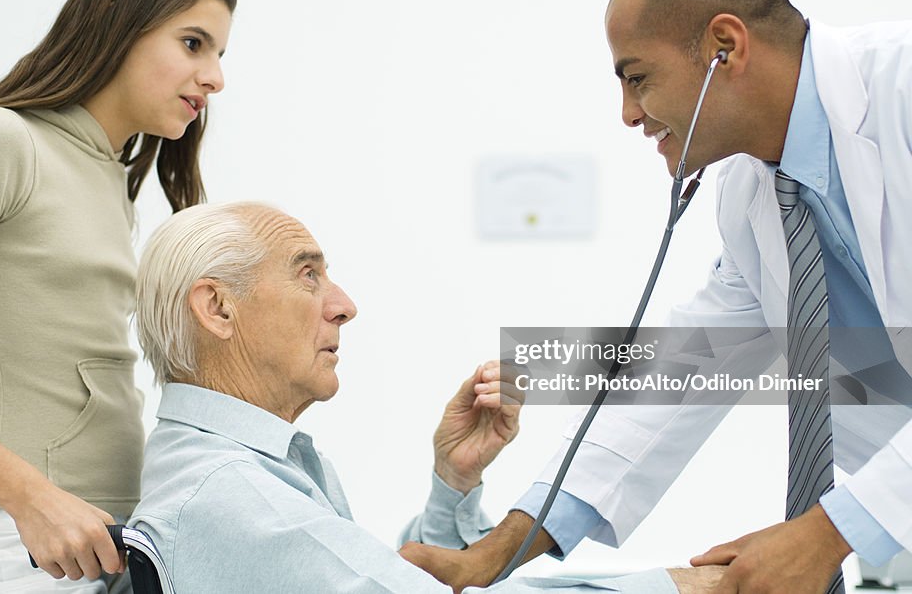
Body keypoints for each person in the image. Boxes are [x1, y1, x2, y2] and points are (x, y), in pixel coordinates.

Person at [400, 0, 912, 594]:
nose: (627, 113)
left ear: (724, 47)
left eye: (638, 78)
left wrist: (826, 533)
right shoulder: (754, 198)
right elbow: (676, 378)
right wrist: (498, 551)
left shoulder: (901, 91)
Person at [128, 202, 723, 593]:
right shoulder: (236, 496)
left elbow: (384, 582)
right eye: (307, 274)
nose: (344, 304)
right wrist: (693, 586)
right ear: (218, 308)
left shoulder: (239, 472)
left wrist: (452, 485)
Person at [0, 0, 234, 592]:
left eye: (219, 53)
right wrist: (32, 498)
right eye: (194, 43)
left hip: (101, 537)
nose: (216, 75)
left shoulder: (108, 178)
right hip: (15, 542)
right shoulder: (1, 142)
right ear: (121, 23)